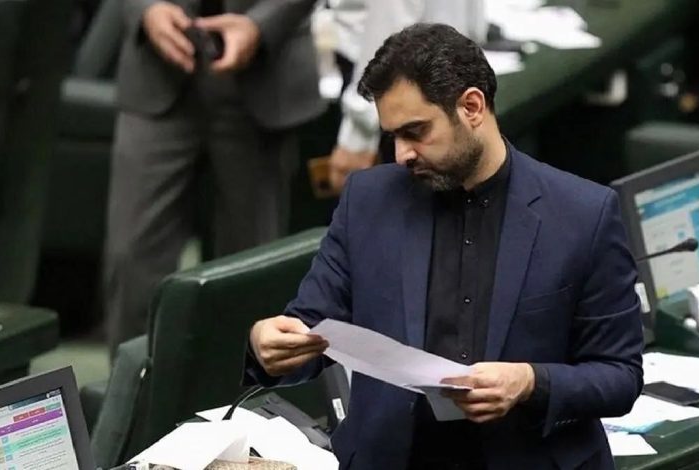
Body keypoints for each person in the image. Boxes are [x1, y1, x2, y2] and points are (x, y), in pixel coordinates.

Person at [245, 24, 643, 469]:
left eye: (416, 131)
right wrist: (270, 347)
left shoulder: (582, 213)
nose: (402, 154)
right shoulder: (368, 201)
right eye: (393, 136)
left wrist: (530, 382)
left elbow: (620, 376)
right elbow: (310, 326)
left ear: (471, 107)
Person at [105, 0, 324, 351]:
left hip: (261, 71)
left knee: (250, 269)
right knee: (131, 258)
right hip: (157, 70)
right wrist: (145, 9)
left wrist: (261, 25)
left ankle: (237, 383)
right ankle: (134, 383)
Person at [328, 0, 487, 193]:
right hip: (453, 63)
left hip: (396, 82)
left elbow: (388, 29)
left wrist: (357, 135)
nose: (400, 155)